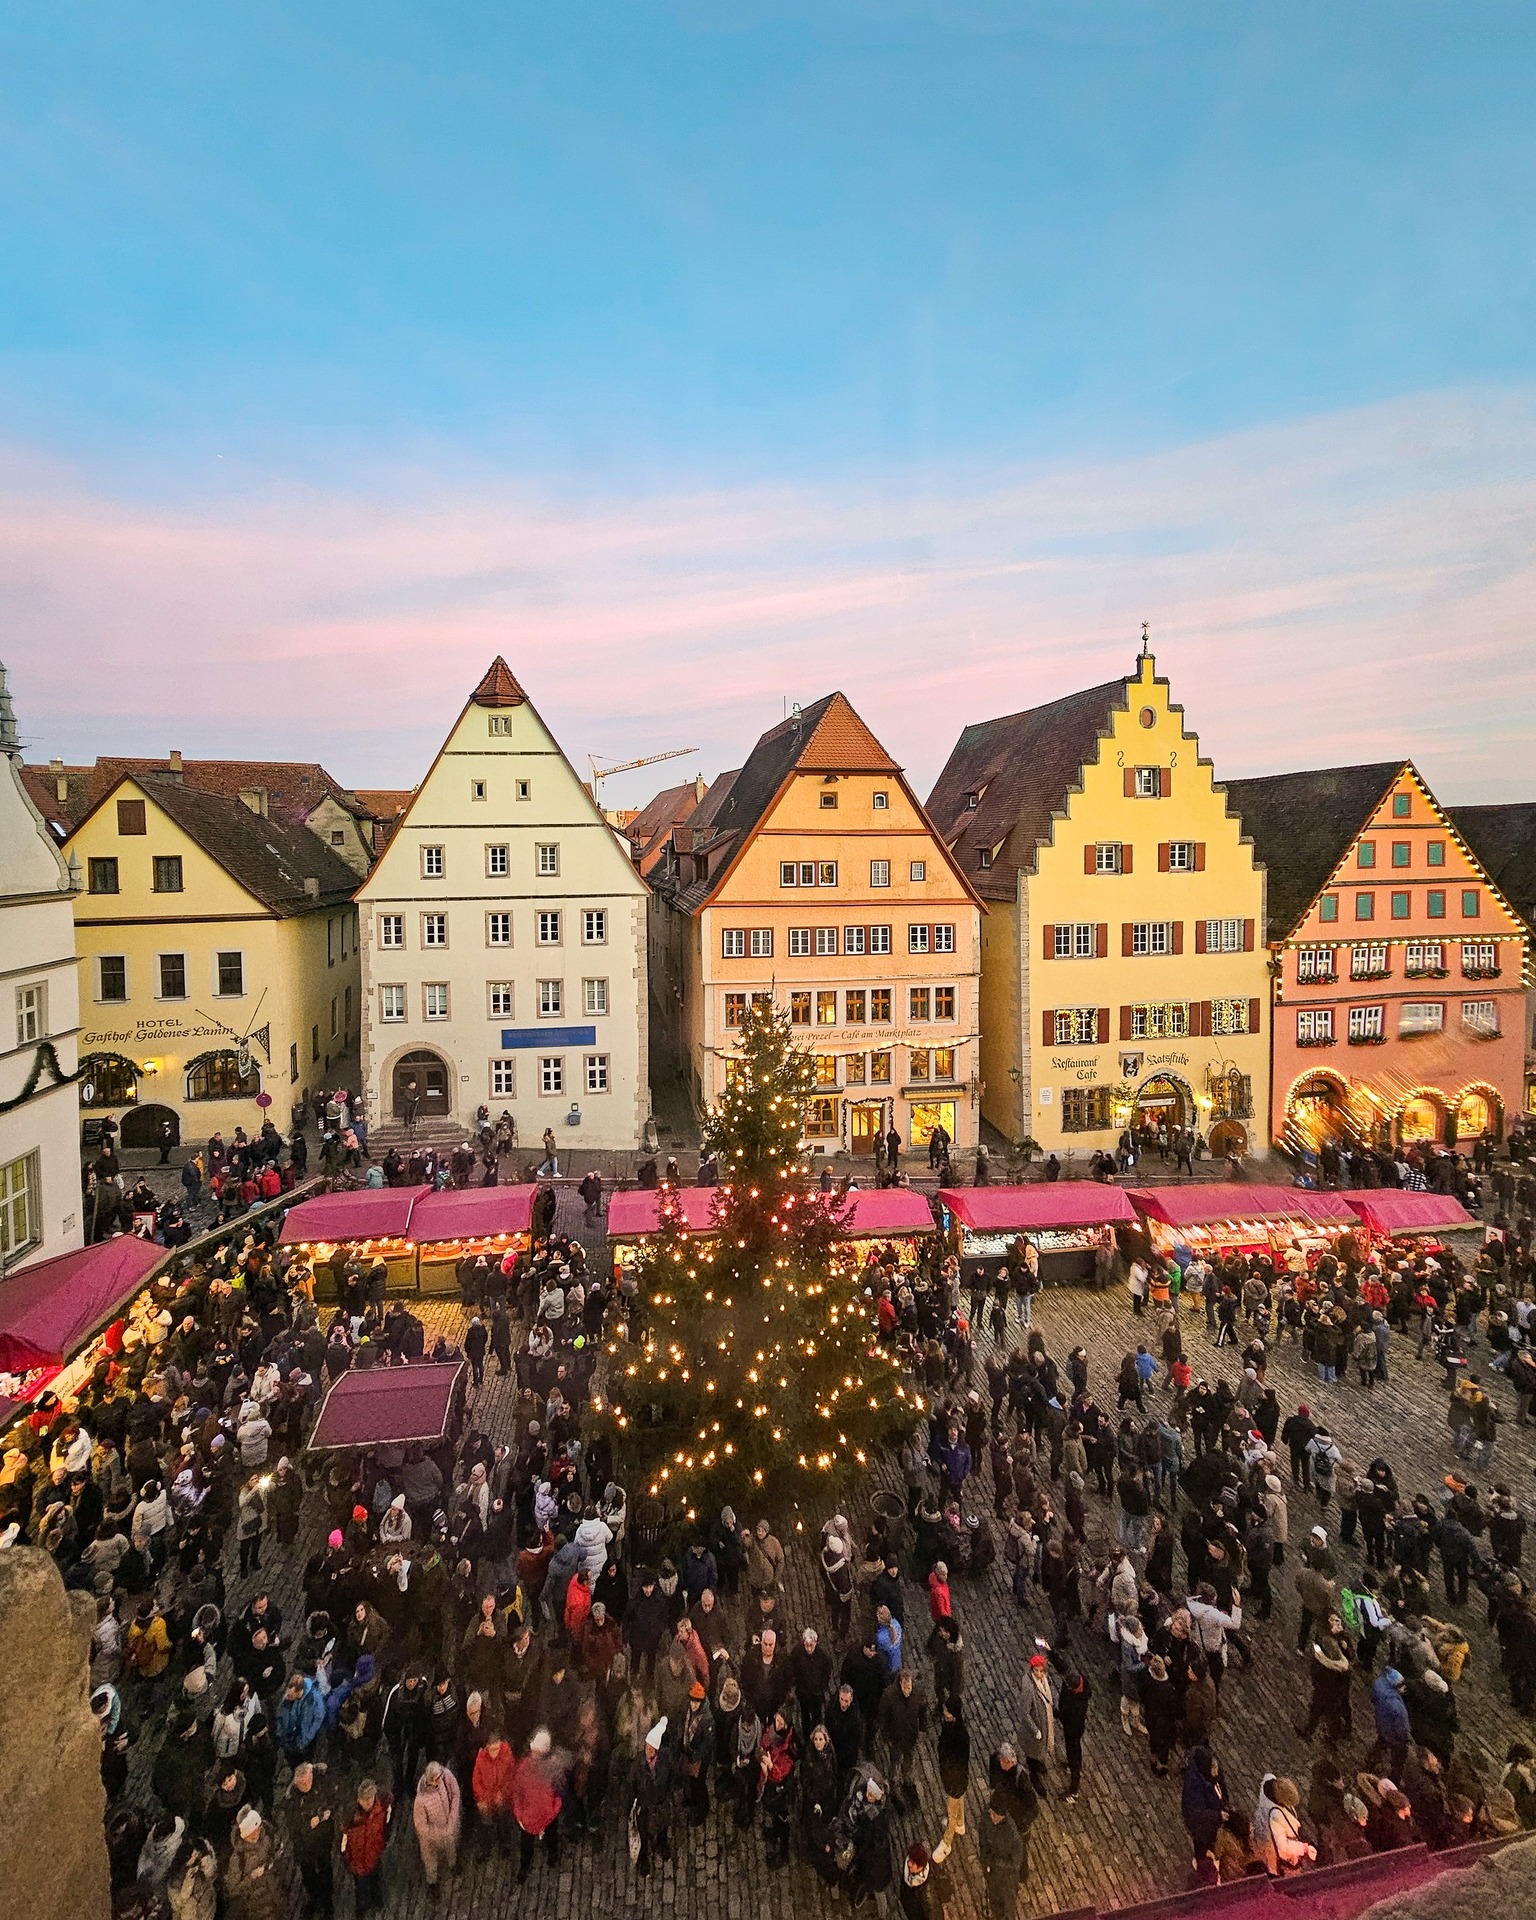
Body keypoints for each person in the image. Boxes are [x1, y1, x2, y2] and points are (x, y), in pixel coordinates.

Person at [340, 1780, 392, 1915]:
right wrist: (347, 1858)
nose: (367, 1802)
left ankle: (377, 1901)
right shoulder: (350, 1819)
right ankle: (362, 1908)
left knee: (376, 1880)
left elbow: (387, 1826)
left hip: (374, 1854)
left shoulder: (382, 1808)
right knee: (361, 1888)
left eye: (370, 1798)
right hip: (357, 1861)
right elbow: (343, 1842)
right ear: (359, 1800)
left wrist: (383, 1843)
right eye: (364, 1799)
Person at [413, 1759, 461, 1889]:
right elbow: (421, 1826)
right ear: (432, 1780)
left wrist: (451, 1821)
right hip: (431, 1838)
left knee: (451, 1848)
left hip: (448, 1827)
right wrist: (440, 1832)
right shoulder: (420, 1801)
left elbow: (455, 1794)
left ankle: (453, 1865)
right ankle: (432, 1883)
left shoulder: (446, 1776)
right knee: (431, 1861)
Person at [977, 1795, 1024, 1920]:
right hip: (992, 1872)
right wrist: (984, 1856)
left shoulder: (1013, 1837)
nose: (991, 1817)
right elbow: (982, 1833)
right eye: (991, 1813)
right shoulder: (987, 1815)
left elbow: (1015, 1863)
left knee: (1007, 1907)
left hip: (1006, 1878)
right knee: (993, 1898)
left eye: (994, 1815)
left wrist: (994, 1861)